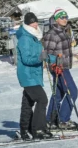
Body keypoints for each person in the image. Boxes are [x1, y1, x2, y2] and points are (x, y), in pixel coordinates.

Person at [16, 12, 52, 140]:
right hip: (28, 75)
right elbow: (26, 59)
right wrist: (40, 58)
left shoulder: (34, 37)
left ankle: (25, 130)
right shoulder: (25, 38)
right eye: (32, 22)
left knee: (28, 103)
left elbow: (42, 54)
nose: (35, 24)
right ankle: (38, 129)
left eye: (35, 22)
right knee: (42, 99)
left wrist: (53, 59)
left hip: (34, 75)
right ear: (27, 24)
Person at [44, 8, 78, 130]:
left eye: (66, 17)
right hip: (59, 68)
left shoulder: (64, 32)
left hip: (64, 67)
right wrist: (53, 65)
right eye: (62, 17)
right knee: (72, 91)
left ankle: (50, 120)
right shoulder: (52, 34)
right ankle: (63, 120)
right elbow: (48, 54)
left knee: (58, 94)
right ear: (56, 19)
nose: (65, 19)